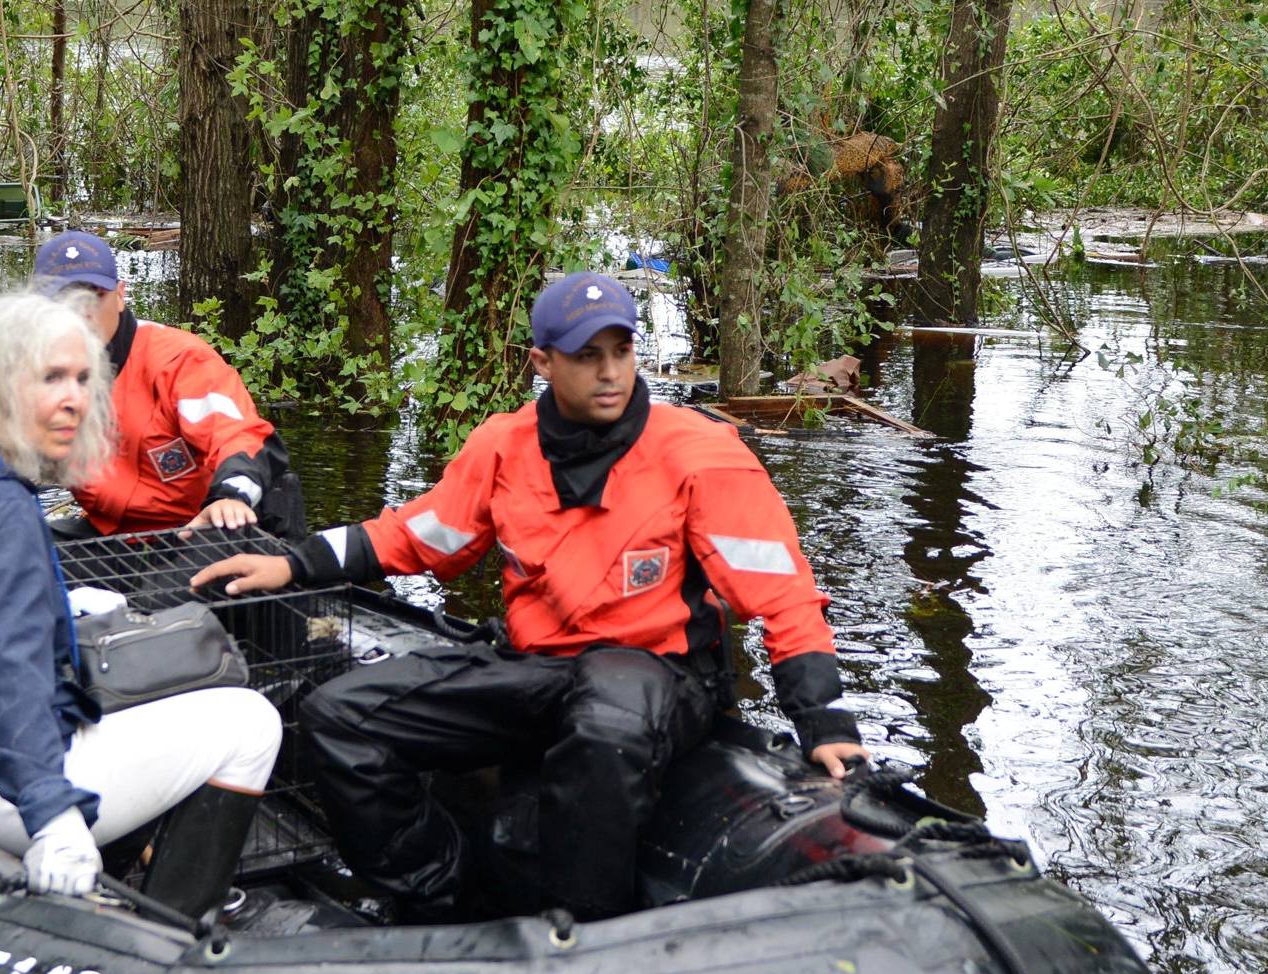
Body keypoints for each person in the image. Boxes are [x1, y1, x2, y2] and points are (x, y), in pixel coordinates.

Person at [197, 270, 868, 921]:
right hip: (541, 665)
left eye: (622, 351)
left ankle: (582, 929)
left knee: (606, 721)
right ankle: (443, 899)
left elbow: (781, 591)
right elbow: (419, 535)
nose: (610, 372)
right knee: (340, 715)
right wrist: (296, 564)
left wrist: (825, 722)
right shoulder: (503, 445)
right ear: (542, 362)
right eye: (586, 356)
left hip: (659, 671)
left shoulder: (697, 452)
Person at [0, 289, 283, 911]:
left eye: (84, 379)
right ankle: (176, 921)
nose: (74, 400)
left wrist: (59, 601)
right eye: (51, 378)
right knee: (250, 722)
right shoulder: (1, 512)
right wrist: (54, 821)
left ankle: (125, 849)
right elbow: (12, 678)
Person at [0, 229, 304, 538]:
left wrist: (231, 495)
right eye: (64, 299)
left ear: (121, 294)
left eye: (95, 296)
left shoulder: (177, 358)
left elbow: (237, 434)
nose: (80, 312)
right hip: (112, 535)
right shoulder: (25, 367)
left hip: (201, 526)